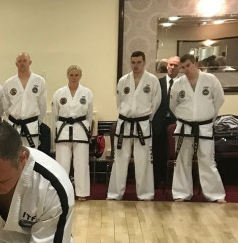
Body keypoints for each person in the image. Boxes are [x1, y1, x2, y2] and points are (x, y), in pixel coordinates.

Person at [170, 52, 225, 202]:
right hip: (184, 126)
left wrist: (207, 117)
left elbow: (219, 100)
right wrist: (186, 117)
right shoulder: (178, 84)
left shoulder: (210, 80)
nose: (186, 70)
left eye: (188, 65)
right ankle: (181, 193)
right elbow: (173, 106)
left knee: (207, 161)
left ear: (195, 64)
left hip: (204, 126)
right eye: (182, 67)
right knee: (182, 161)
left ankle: (215, 195)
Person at [107, 50, 161, 201]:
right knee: (120, 159)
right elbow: (119, 102)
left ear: (144, 62)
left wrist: (146, 117)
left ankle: (145, 194)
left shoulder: (152, 80)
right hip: (124, 122)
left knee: (143, 160)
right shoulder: (123, 80)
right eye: (133, 62)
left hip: (142, 123)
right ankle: (115, 193)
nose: (135, 65)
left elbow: (156, 102)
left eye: (138, 62)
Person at [51, 65, 94, 200]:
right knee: (62, 163)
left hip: (81, 130)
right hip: (63, 130)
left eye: (76, 75)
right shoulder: (59, 93)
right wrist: (55, 132)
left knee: (81, 163)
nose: (74, 77)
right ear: (67, 75)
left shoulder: (87, 93)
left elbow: (89, 115)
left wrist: (87, 130)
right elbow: (54, 115)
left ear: (80, 76)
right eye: (71, 75)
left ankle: (82, 193)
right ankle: (62, 192)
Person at [1, 52, 46, 148]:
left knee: (32, 154)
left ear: (30, 62)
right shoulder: (9, 83)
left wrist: (37, 122)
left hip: (31, 125)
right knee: (13, 154)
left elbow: (42, 105)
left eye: (25, 61)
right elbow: (5, 105)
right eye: (19, 61)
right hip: (13, 126)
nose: (22, 63)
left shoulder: (39, 81)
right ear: (16, 64)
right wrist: (14, 116)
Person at [152, 54, 181, 191]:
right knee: (158, 153)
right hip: (159, 122)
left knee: (175, 153)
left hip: (175, 122)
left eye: (176, 65)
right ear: (167, 65)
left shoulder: (183, 83)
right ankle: (158, 180)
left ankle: (173, 182)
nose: (172, 67)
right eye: (170, 64)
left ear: (180, 68)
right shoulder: (158, 82)